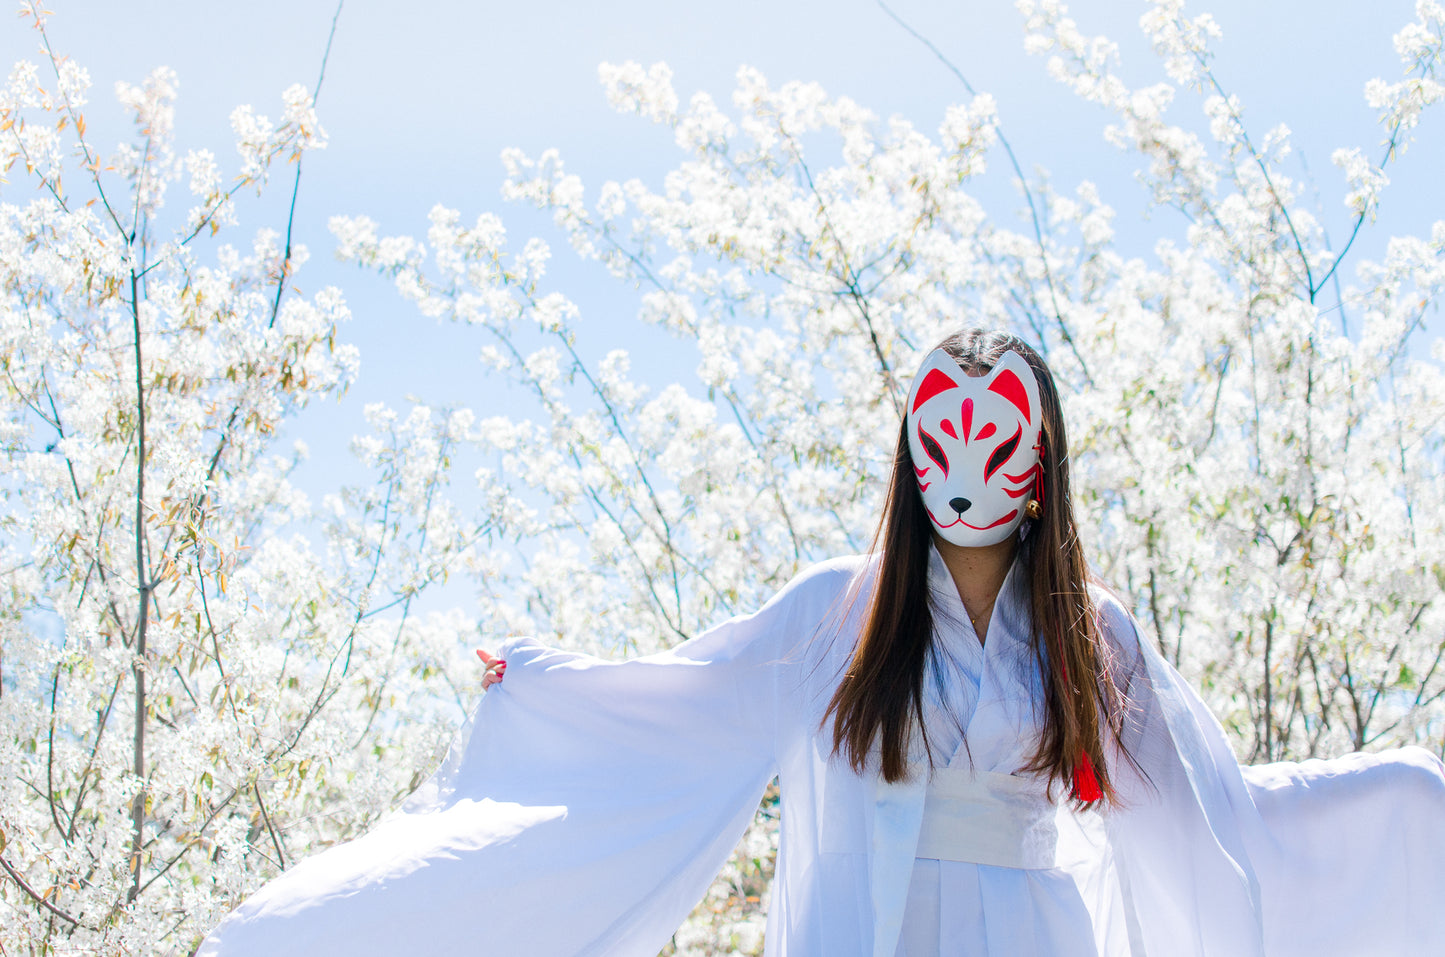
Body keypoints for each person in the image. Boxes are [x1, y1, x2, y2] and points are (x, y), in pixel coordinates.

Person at [200, 330, 1445, 956]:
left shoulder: (1093, 634)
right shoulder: (834, 612)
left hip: (1031, 929)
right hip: (872, 921)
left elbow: (1206, 814)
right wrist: (548, 683)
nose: (963, 471)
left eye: (994, 440)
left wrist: (1393, 797)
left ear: (1041, 457)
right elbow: (689, 699)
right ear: (906, 447)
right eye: (936, 436)